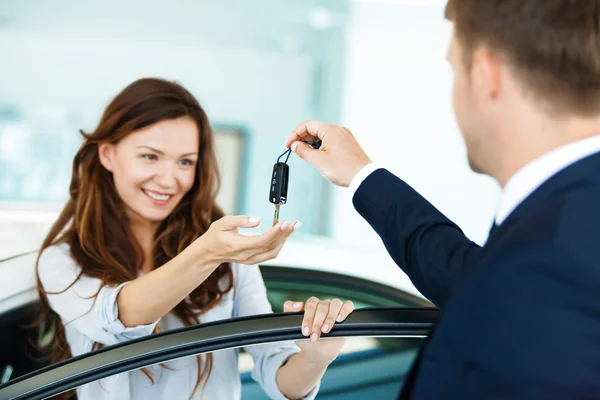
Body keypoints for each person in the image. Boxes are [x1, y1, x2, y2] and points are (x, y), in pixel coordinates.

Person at [285, 0, 600, 398]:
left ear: (487, 76)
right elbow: (471, 279)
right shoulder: (570, 220)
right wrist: (362, 176)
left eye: (454, 70)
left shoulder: (554, 254)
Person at [35, 77, 354, 400]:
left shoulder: (225, 256)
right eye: (149, 156)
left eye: (185, 162)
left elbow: (277, 372)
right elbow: (118, 318)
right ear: (107, 155)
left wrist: (316, 356)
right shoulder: (62, 261)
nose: (168, 179)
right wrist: (208, 253)